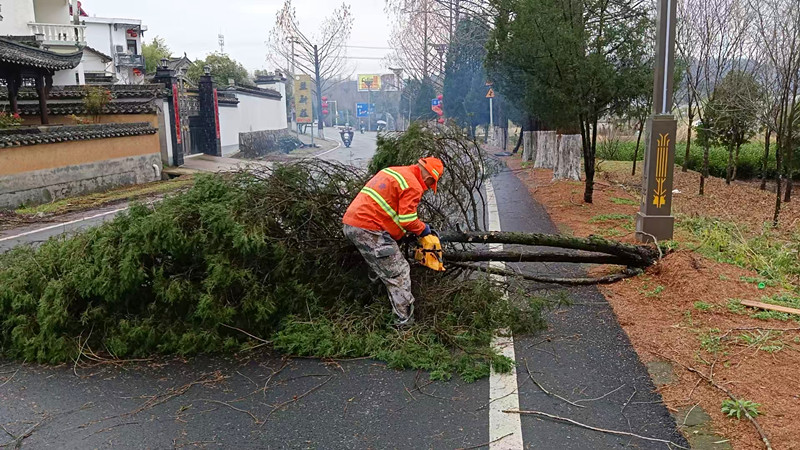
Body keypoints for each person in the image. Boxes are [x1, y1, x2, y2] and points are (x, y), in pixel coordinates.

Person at [342, 157, 444, 326]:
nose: (426, 188)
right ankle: (404, 325)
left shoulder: (394, 171)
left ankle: (373, 306)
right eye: (430, 184)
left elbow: (389, 210)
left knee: (381, 268)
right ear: (429, 178)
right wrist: (424, 230)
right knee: (399, 273)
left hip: (353, 223)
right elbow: (407, 219)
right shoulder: (413, 185)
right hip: (370, 229)